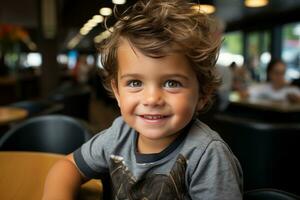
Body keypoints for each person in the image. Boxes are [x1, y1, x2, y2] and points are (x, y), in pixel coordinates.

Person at [42, 0, 243, 199]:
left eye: (172, 83)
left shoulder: (207, 155)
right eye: (135, 83)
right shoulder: (118, 135)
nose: (152, 99)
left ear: (203, 94)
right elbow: (67, 166)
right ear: (118, 93)